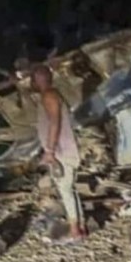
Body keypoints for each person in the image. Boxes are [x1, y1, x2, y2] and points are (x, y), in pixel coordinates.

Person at [30, 64, 85, 243]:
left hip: (61, 149)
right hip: (60, 148)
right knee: (68, 188)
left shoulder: (49, 95)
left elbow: (55, 122)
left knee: (65, 189)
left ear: (36, 81)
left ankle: (75, 232)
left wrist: (50, 151)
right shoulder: (49, 95)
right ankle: (80, 228)